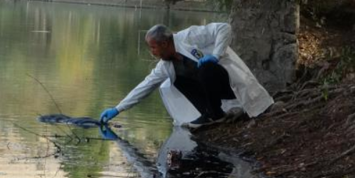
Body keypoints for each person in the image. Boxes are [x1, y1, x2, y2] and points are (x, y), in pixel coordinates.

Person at [100, 23, 273, 127]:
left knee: (206, 68)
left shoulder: (189, 36)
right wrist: (117, 109)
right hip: (213, 91)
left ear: (165, 43)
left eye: (153, 47)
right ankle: (212, 114)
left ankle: (214, 113)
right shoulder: (165, 65)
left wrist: (215, 55)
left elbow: (224, 28)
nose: (152, 52)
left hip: (228, 84)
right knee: (176, 81)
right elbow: (145, 86)